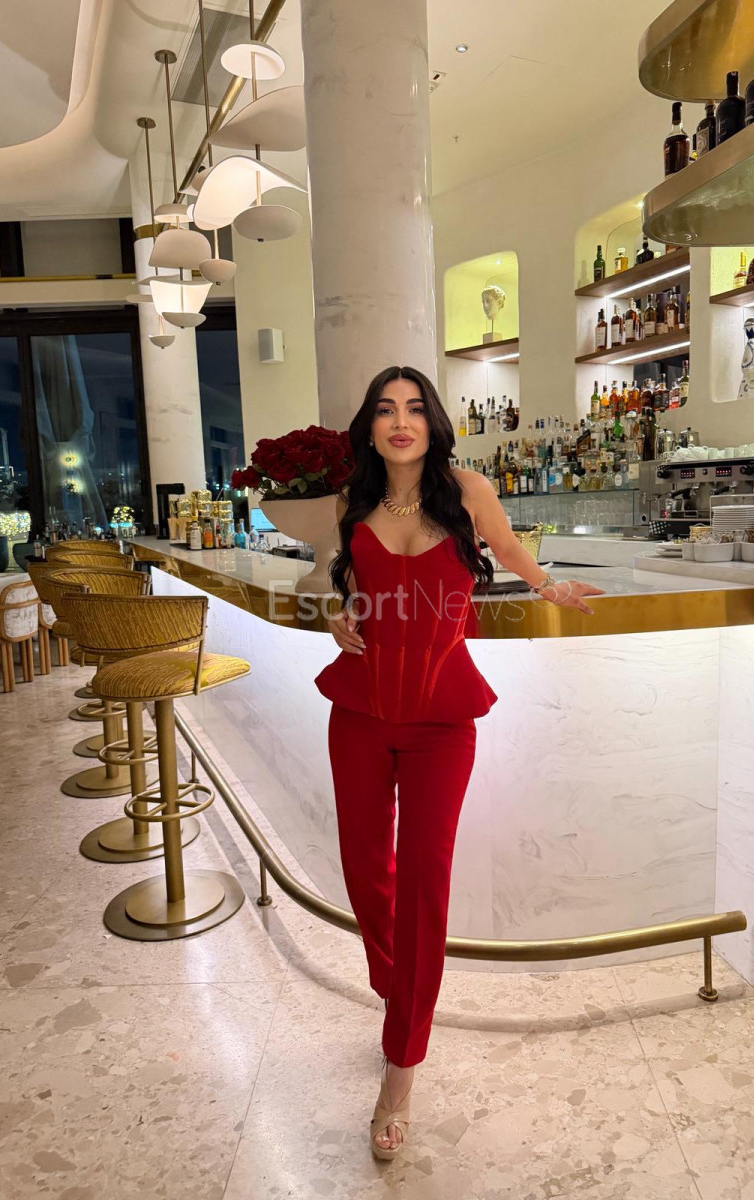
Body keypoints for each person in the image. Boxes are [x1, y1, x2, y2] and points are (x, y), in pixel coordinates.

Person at [314, 365, 605, 1160]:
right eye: (385, 409)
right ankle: (397, 987)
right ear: (371, 426)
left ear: (433, 421)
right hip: (359, 712)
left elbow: (507, 550)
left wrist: (551, 587)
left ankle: (400, 1066)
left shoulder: (467, 490)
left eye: (414, 408)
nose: (400, 421)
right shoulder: (352, 500)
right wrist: (337, 613)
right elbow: (345, 584)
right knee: (364, 868)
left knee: (424, 881)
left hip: (443, 720)